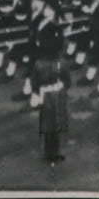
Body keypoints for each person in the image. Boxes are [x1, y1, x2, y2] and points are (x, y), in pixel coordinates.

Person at [31, 22, 71, 165]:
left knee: (48, 126)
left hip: (46, 96)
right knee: (57, 125)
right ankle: (56, 153)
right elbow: (68, 81)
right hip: (58, 94)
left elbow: (34, 83)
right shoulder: (62, 62)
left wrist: (36, 93)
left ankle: (48, 153)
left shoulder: (38, 64)